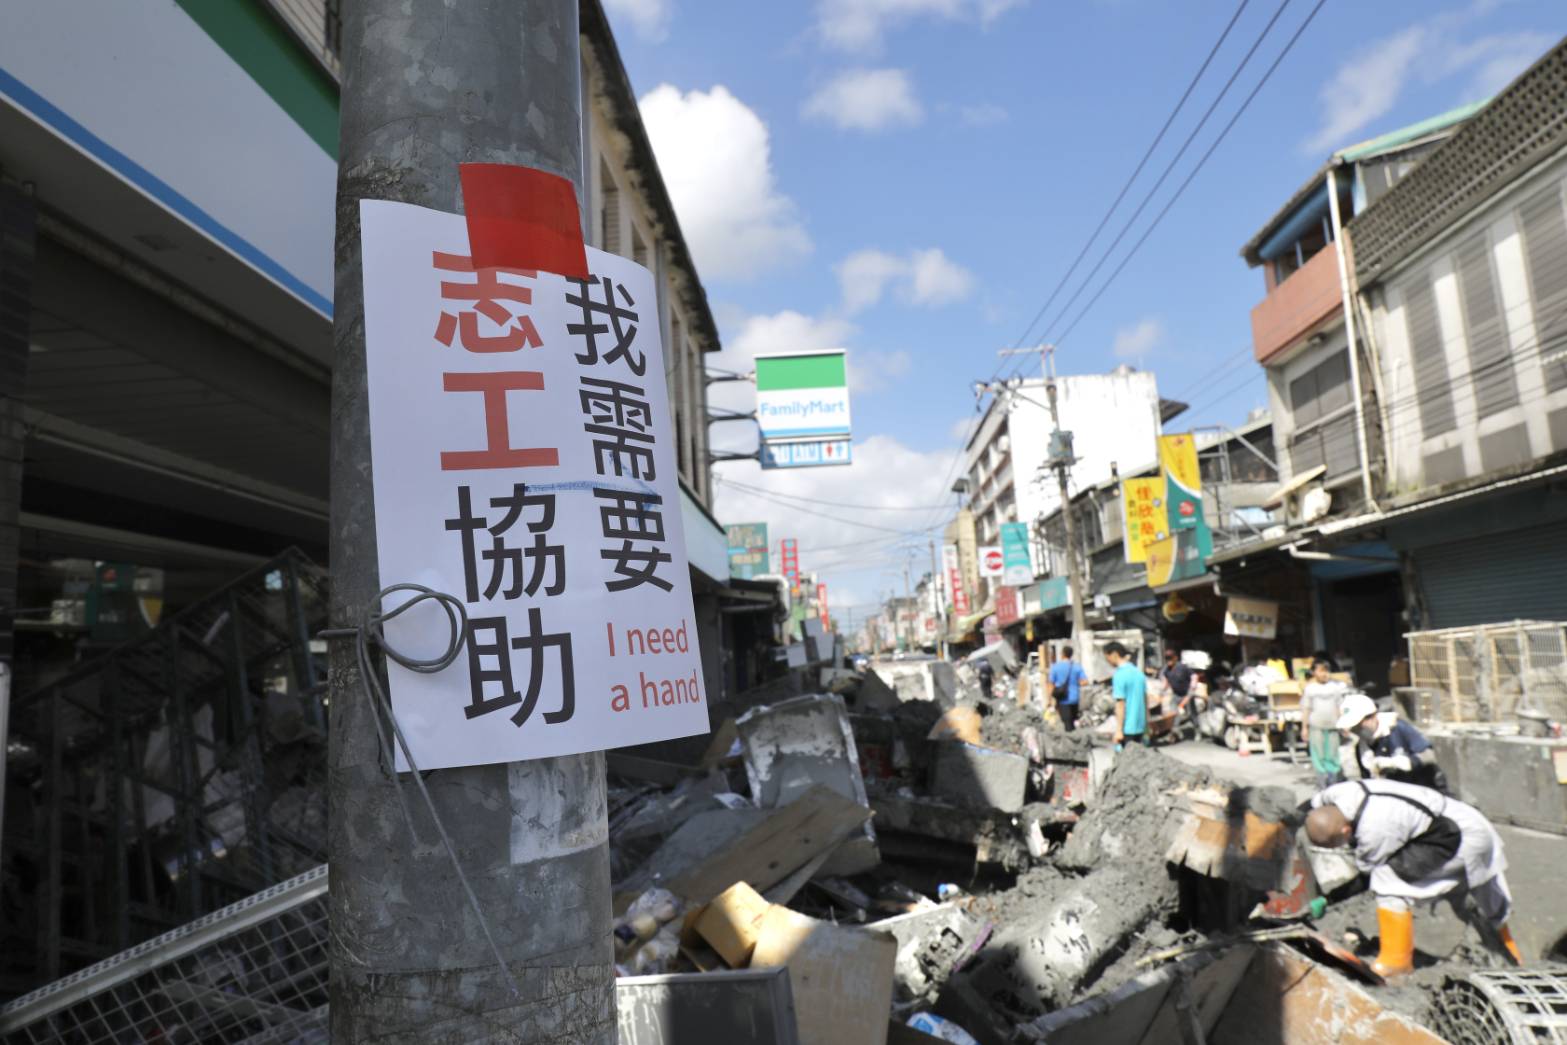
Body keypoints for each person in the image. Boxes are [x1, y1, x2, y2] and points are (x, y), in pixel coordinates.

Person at [1306, 778, 1522, 975]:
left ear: (1345, 831)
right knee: (1474, 898)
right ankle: (1510, 956)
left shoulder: (1375, 829)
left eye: (1337, 844)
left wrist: (1330, 898)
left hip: (1456, 835)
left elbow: (1367, 879)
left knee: (1387, 881)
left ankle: (1395, 962)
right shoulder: (1340, 793)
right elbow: (1308, 806)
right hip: (1461, 817)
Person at [1337, 692, 1448, 793]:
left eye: (1359, 725)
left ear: (1372, 716)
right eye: (1353, 728)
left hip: (1424, 790)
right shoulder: (1362, 750)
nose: (1357, 731)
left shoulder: (1398, 728)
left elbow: (1429, 755)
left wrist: (1404, 762)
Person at [1303, 658, 1348, 790]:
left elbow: (1338, 707)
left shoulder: (1335, 688)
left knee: (1333, 754)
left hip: (1332, 727)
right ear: (1314, 672)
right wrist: (1304, 728)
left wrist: (1343, 725)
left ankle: (1333, 783)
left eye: (1327, 671)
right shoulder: (1310, 689)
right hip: (1316, 727)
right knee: (1319, 755)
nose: (1324, 674)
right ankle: (1322, 785)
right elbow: (1306, 709)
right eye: (1321, 671)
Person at [1105, 641, 1147, 749]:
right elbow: (1145, 699)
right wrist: (1147, 724)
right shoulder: (1138, 673)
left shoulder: (1119, 675)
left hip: (1127, 728)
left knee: (1125, 761)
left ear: (1114, 654)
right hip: (1141, 726)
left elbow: (1120, 704)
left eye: (1107, 657)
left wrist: (1118, 730)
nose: (1107, 661)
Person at [1045, 645, 1086, 732]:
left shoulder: (1055, 667)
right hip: (1075, 698)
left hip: (1063, 699)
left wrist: (1049, 700)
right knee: (1074, 722)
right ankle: (1075, 738)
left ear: (1062, 654)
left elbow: (1051, 685)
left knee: (1067, 724)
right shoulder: (1077, 667)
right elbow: (1085, 682)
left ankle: (1071, 741)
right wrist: (1075, 683)